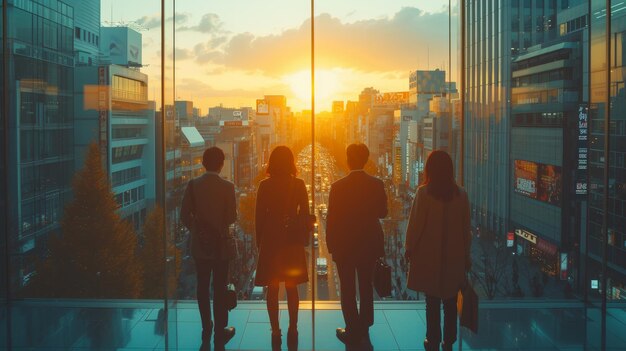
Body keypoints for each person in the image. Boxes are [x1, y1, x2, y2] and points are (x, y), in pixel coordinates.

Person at [404, 150, 471, 351]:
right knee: (451, 302)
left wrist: (409, 247)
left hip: (429, 257)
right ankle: (449, 341)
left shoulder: (424, 194)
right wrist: (466, 256)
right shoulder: (461, 195)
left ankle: (432, 340)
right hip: (454, 258)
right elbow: (465, 229)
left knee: (431, 302)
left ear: (429, 169)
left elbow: (415, 225)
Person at [326, 143, 388, 346]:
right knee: (366, 285)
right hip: (369, 244)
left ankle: (351, 328)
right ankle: (365, 326)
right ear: (366, 159)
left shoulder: (338, 187)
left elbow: (331, 219)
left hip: (345, 245)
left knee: (347, 288)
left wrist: (331, 244)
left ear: (347, 159)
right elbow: (383, 212)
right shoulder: (377, 184)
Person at [181, 147, 237, 350]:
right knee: (220, 288)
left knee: (202, 287)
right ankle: (221, 329)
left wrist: (197, 231)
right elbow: (232, 218)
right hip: (221, 246)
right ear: (221, 164)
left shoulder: (193, 185)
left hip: (201, 247)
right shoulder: (228, 187)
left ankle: (206, 327)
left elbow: (184, 214)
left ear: (203, 163)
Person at [255, 146, 310, 350]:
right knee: (291, 286)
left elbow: (259, 217)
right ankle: (293, 327)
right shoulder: (299, 184)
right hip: (292, 241)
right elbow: (305, 214)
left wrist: (259, 242)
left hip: (271, 240)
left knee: (272, 287)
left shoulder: (264, 186)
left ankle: (275, 329)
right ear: (291, 162)